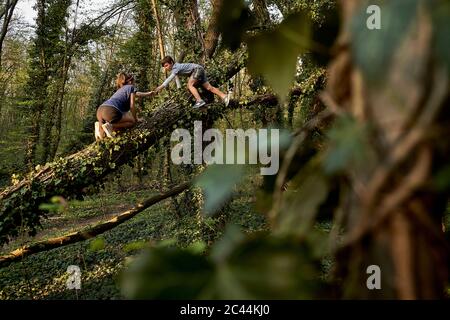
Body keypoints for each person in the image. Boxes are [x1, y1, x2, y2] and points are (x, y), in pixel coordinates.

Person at [148, 56, 230, 108]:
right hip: (199, 69)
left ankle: (199, 101)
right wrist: (179, 90)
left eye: (166, 65)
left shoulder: (175, 68)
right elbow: (177, 80)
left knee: (190, 85)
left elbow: (169, 79)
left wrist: (160, 87)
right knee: (209, 87)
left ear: (171, 63)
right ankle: (224, 97)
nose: (165, 68)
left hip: (197, 69)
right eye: (164, 67)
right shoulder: (175, 69)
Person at [95, 72, 145, 140]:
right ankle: (110, 126)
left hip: (100, 110)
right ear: (130, 81)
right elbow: (132, 105)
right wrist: (136, 120)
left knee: (103, 137)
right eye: (134, 82)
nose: (134, 84)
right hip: (111, 111)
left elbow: (137, 94)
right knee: (132, 122)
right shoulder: (131, 87)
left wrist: (148, 94)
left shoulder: (120, 90)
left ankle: (100, 127)